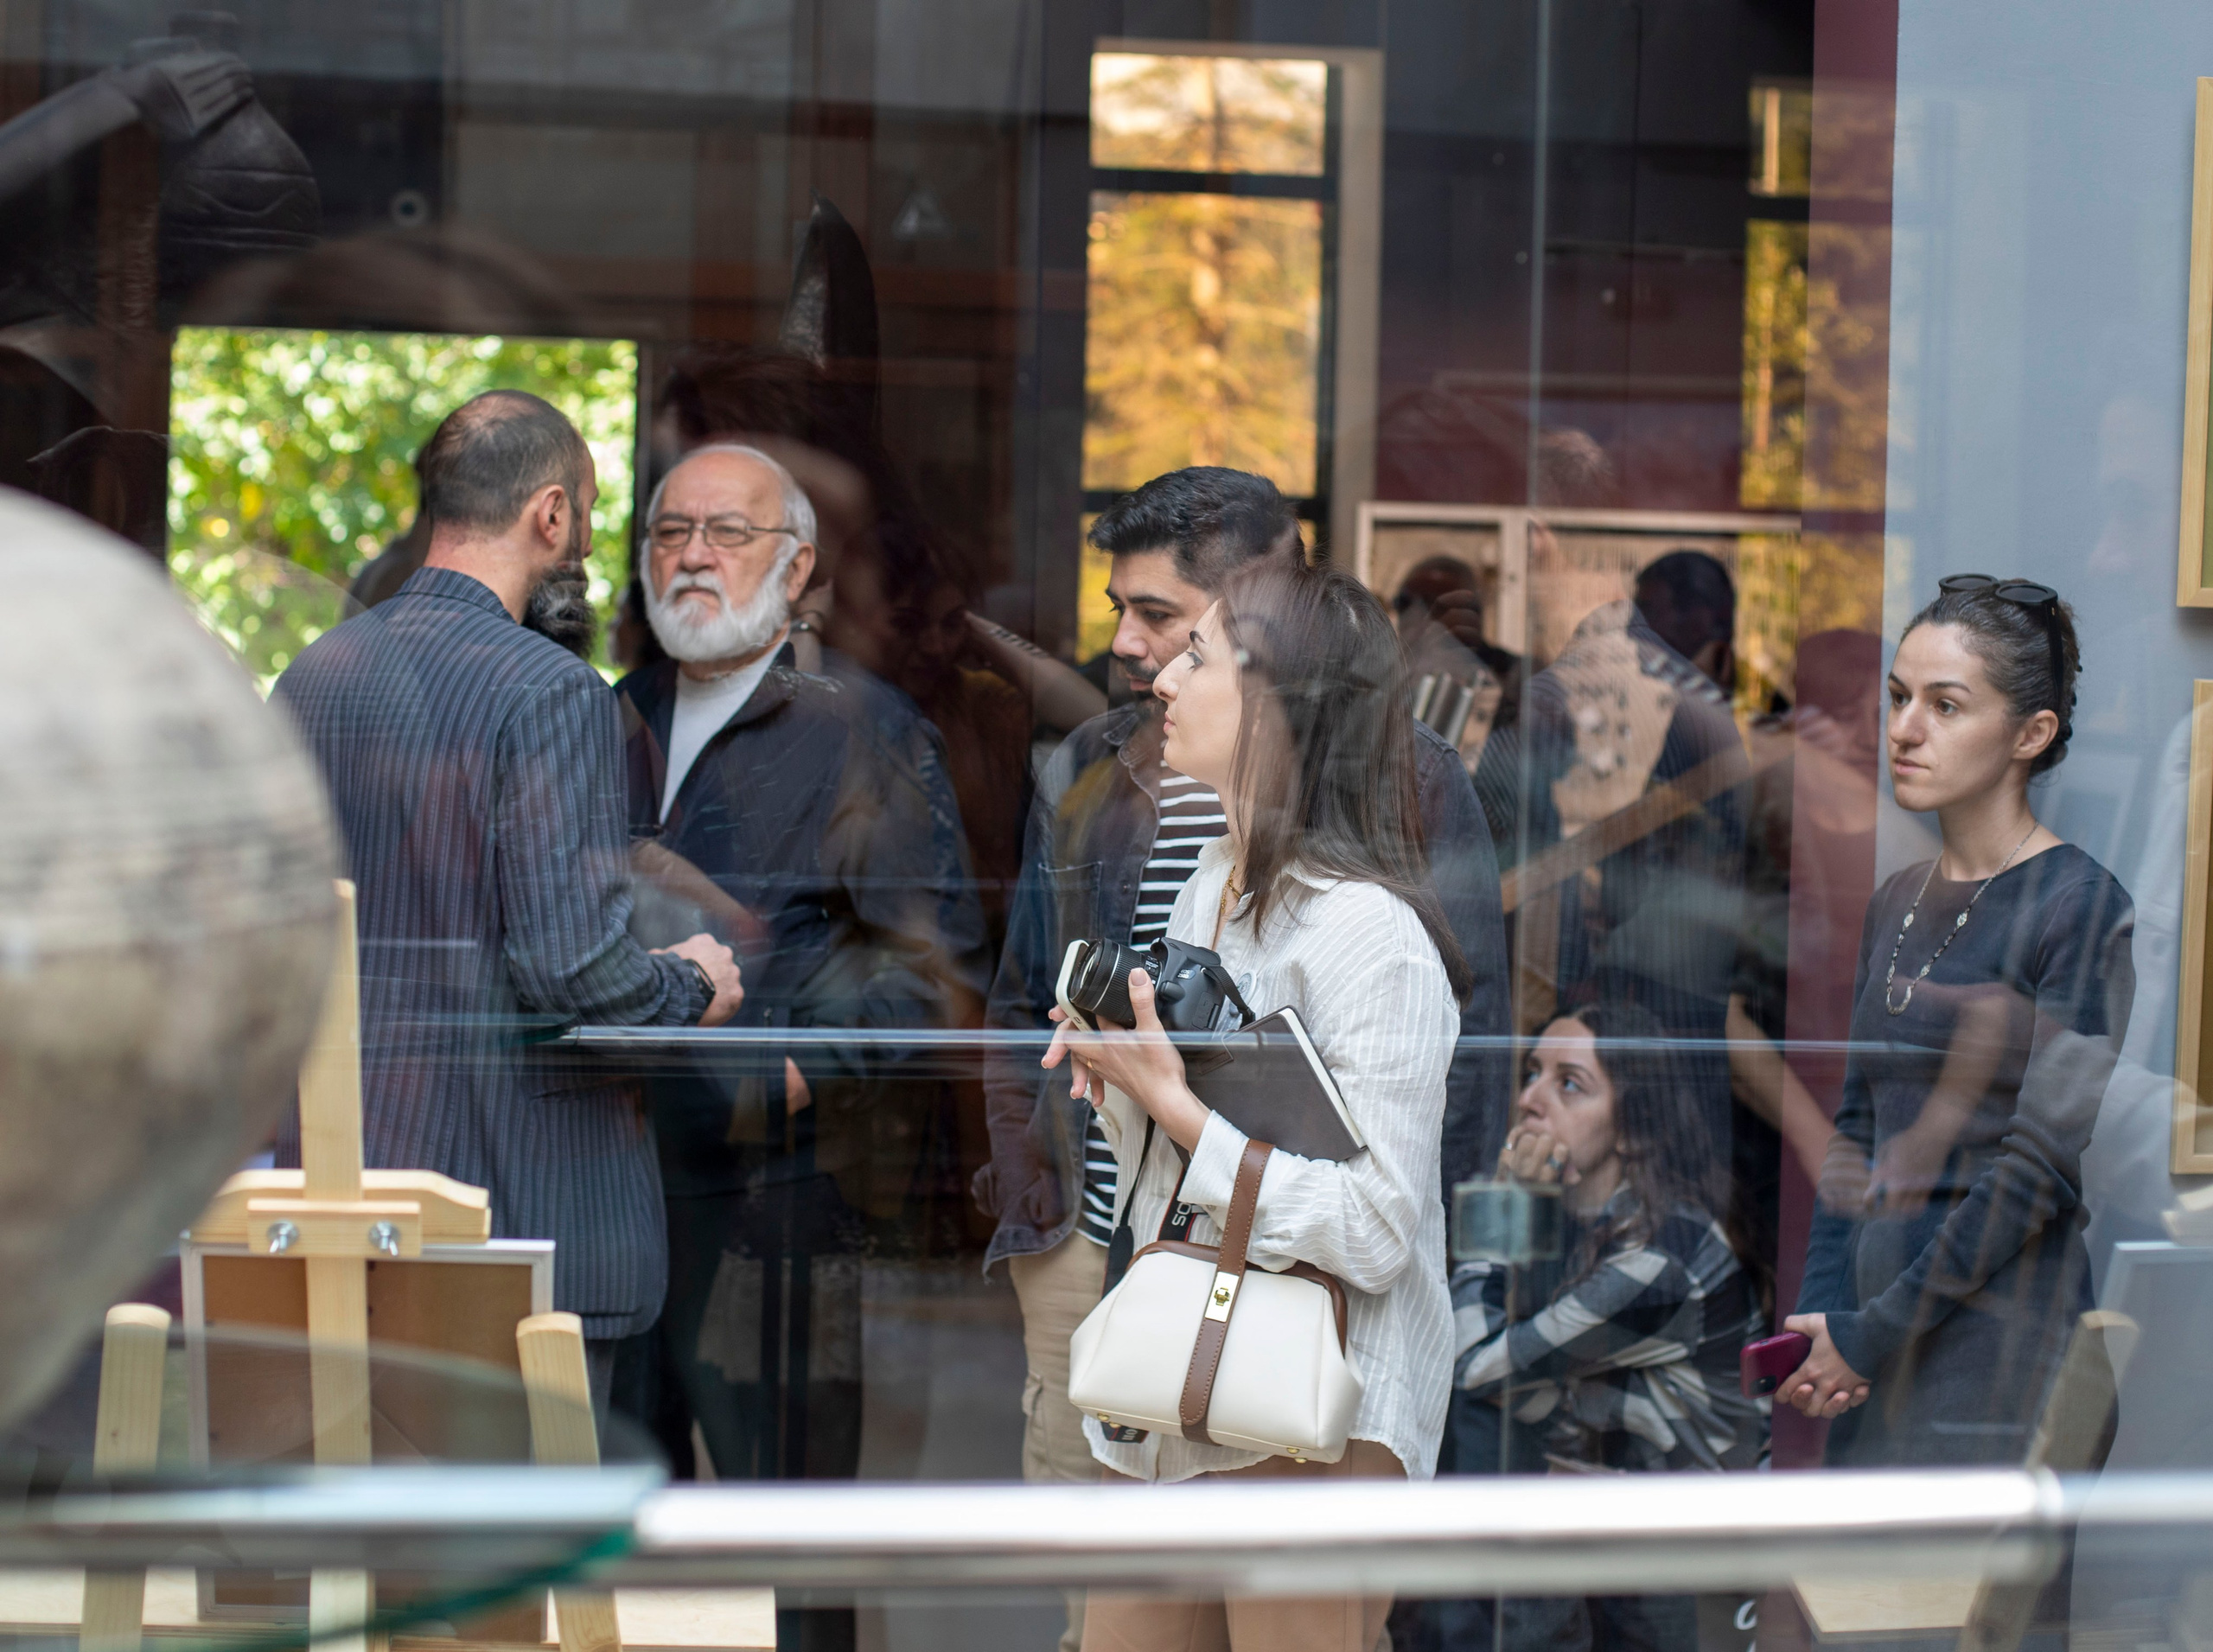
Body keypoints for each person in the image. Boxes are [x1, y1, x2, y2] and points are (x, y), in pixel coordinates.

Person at [976, 465, 1509, 1652]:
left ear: (1282, 697)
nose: (1154, 671)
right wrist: (1119, 1083)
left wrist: (1176, 1101)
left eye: (1195, 652)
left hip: (1312, 1388)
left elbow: (1377, 1228)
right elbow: (1175, 1152)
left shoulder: (1371, 932)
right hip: (1178, 1358)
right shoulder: (1215, 883)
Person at [272, 391, 743, 1401]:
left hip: (340, 1185)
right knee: (520, 1543)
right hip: (514, 1210)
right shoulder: (553, 691)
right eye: (586, 511)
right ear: (552, 515)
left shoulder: (313, 676)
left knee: (366, 1527)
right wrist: (689, 983)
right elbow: (569, 970)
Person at [614, 443, 991, 1489]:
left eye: (728, 533)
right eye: (671, 532)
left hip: (772, 1204)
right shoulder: (609, 713)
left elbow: (930, 963)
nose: (694, 556)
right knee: (621, 1525)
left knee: (785, 1522)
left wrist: (801, 1070)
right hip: (615, 1176)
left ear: (796, 569)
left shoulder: (863, 731)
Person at [1783, 576, 2135, 1468]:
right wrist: (1827, 1312)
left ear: (2031, 734)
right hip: (1876, 1346)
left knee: (1967, 1612)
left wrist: (1870, 1331)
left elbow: (2035, 1176)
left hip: (1997, 1362)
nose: (1903, 729)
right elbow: (1857, 1126)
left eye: (1945, 705)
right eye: (1900, 698)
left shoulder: (2080, 906)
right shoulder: (1899, 896)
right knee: (1850, 1600)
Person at [1445, 1001, 1764, 1652]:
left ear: (1633, 1129)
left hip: (1691, 1570)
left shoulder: (1659, 1259)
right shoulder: (1566, 1220)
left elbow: (1475, 1368)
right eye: (1532, 1072)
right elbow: (1510, 1384)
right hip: (1610, 1536)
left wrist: (1504, 1206)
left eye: (1570, 1083)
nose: (1531, 1098)